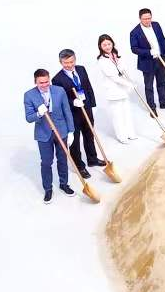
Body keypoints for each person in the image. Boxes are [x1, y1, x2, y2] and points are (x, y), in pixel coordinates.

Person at [52, 49, 106, 179]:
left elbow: (88, 87)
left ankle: (92, 159)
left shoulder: (81, 69)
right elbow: (60, 100)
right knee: (75, 141)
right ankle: (79, 166)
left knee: (89, 135)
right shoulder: (57, 79)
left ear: (75, 59)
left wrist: (92, 105)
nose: (69, 65)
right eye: (66, 63)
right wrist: (73, 102)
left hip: (86, 108)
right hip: (72, 114)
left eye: (71, 61)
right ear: (60, 62)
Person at [23, 68, 74, 204]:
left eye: (47, 81)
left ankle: (64, 184)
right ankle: (48, 189)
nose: (45, 85)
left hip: (61, 131)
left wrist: (71, 131)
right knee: (46, 162)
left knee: (62, 159)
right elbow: (29, 118)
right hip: (43, 134)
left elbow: (67, 111)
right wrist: (39, 113)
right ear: (35, 82)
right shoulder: (29, 95)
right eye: (41, 83)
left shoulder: (59, 91)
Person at [129, 8, 165, 112]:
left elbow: (162, 40)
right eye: (145, 19)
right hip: (147, 63)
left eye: (149, 18)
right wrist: (149, 52)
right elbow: (134, 49)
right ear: (140, 18)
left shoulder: (156, 25)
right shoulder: (134, 32)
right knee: (149, 86)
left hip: (160, 59)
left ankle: (163, 102)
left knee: (161, 83)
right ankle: (152, 107)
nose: (147, 21)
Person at [95, 34, 139, 143]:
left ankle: (130, 133)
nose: (107, 47)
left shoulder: (116, 56)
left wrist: (129, 81)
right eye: (104, 45)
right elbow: (114, 77)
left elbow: (123, 70)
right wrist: (129, 84)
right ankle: (122, 136)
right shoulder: (102, 60)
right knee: (118, 115)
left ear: (112, 43)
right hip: (113, 91)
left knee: (126, 113)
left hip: (123, 90)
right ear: (100, 46)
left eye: (109, 44)